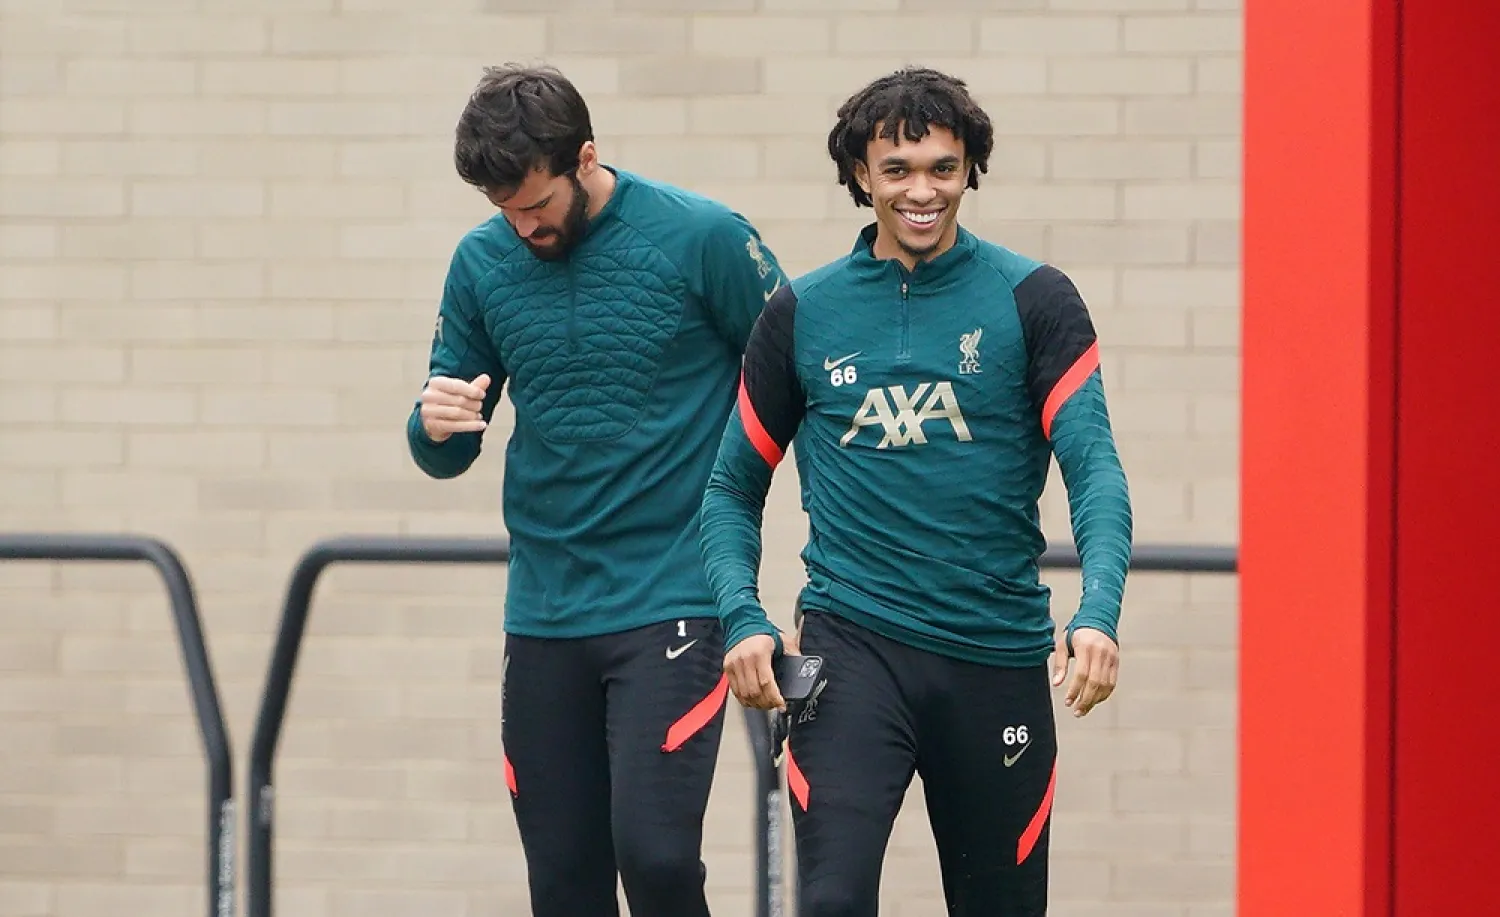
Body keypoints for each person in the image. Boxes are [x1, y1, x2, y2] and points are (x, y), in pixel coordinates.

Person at [699, 66, 1133, 916]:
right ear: (861, 176)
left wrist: (1099, 611)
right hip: (852, 651)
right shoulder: (801, 312)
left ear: (970, 170)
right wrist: (743, 618)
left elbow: (1095, 469)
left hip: (996, 655)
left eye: (943, 167)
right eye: (897, 169)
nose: (922, 191)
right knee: (831, 900)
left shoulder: (1035, 300)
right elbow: (730, 488)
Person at [406, 64, 789, 917]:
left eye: (535, 205)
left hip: (674, 595)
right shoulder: (481, 261)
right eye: (503, 209)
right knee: (563, 882)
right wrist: (432, 427)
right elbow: (445, 448)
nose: (522, 226)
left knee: (656, 859)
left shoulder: (702, 237)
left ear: (585, 157)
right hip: (544, 608)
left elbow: (800, 382)